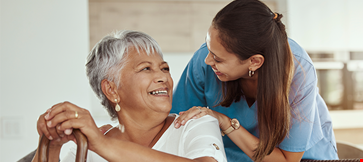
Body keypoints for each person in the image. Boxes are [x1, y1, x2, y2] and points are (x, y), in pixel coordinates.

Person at [171, 0, 339, 162]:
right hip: (230, 156)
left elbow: (287, 160)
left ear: (255, 62)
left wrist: (225, 122)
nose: (207, 60)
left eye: (218, 59)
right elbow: (177, 126)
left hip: (301, 156)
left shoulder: (299, 70)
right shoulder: (203, 61)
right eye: (208, 49)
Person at [31, 30, 227, 162]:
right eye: (146, 69)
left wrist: (105, 145)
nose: (162, 77)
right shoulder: (86, 148)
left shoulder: (196, 124)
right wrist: (51, 147)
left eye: (164, 68)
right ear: (112, 90)